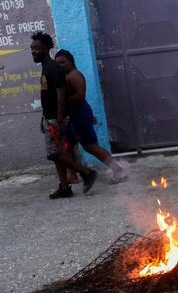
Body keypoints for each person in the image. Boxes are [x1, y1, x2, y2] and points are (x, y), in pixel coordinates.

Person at [30, 31, 97, 198]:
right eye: (31, 49)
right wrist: (43, 118)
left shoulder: (53, 68)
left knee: (53, 153)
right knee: (57, 156)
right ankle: (64, 187)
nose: (33, 52)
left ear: (45, 49)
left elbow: (61, 95)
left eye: (36, 48)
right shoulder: (46, 68)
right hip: (49, 118)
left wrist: (59, 120)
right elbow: (48, 97)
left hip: (56, 119)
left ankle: (86, 172)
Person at [54, 49, 128, 184]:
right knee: (68, 146)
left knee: (91, 147)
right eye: (57, 63)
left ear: (71, 62)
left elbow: (80, 96)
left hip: (79, 115)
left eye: (63, 62)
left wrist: (62, 101)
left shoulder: (74, 75)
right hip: (75, 116)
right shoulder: (66, 76)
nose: (60, 65)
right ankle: (73, 175)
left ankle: (119, 171)